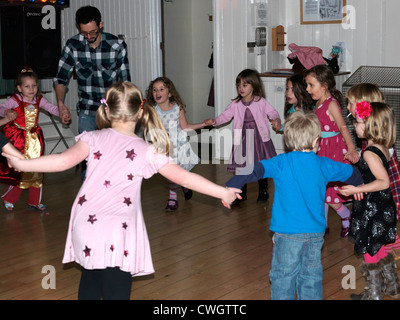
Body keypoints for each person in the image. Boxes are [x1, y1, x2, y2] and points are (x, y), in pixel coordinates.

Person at [2, 81, 240, 300]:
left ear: (107, 111)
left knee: (90, 283)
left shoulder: (92, 138)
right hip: (118, 231)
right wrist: (223, 192)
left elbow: (61, 162)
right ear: (140, 112)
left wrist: (23, 163)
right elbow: (186, 179)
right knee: (116, 290)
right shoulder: (147, 150)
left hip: (85, 226)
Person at [225, 110, 363, 300]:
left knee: (283, 276)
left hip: (288, 233)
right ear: (316, 141)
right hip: (315, 234)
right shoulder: (323, 164)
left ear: (288, 140)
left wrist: (232, 185)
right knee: (311, 276)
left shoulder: (282, 162)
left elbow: (254, 169)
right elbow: (351, 173)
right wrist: (362, 185)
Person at [339, 102, 400, 300]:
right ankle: (391, 285)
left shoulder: (369, 152)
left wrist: (357, 189)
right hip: (382, 206)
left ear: (369, 126)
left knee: (368, 247)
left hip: (373, 207)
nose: (354, 126)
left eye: (356, 122)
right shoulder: (381, 147)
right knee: (379, 245)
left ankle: (373, 294)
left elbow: (383, 182)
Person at [205, 69, 282, 204]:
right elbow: (225, 116)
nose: (241, 88)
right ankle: (241, 192)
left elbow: (273, 112)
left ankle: (263, 190)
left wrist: (276, 120)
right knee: (242, 166)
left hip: (259, 139)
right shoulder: (236, 104)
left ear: (254, 85)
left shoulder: (260, 101)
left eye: (245, 85)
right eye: (239, 85)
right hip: (243, 139)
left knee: (260, 164)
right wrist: (215, 121)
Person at [53, 5, 131, 134]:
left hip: (112, 111)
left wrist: (125, 111)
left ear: (101, 24)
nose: (89, 36)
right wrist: (60, 104)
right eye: (84, 33)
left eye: (93, 32)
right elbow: (61, 78)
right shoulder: (73, 46)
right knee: (88, 151)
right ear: (79, 28)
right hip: (87, 111)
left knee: (111, 151)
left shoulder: (116, 46)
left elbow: (125, 82)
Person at [304, 64, 359, 238]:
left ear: (324, 85)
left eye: (311, 85)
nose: (307, 89)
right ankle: (323, 224)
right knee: (321, 188)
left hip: (333, 150)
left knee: (330, 191)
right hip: (320, 148)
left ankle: (345, 215)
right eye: (307, 85)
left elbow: (343, 127)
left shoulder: (331, 104)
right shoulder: (318, 102)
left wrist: (351, 149)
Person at [346, 83, 400, 256]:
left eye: (350, 102)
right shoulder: (372, 137)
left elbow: (382, 178)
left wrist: (360, 187)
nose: (347, 107)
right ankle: (388, 243)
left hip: (380, 187)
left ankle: (389, 243)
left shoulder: (374, 144)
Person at [0, 67, 64, 211]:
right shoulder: (15, 100)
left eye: (34, 85)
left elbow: (51, 108)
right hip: (19, 140)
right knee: (20, 171)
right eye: (27, 86)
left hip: (35, 141)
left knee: (37, 170)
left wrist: (61, 112)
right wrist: (7, 111)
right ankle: (9, 198)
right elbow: (1, 108)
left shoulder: (39, 100)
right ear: (19, 88)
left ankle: (34, 201)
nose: (31, 89)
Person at [146, 77, 206, 211]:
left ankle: (184, 185)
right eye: (154, 90)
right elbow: (152, 128)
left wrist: (203, 124)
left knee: (180, 170)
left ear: (170, 93)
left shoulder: (177, 108)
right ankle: (173, 198)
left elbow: (185, 126)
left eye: (161, 89)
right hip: (165, 146)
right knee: (170, 172)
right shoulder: (153, 110)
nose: (157, 92)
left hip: (180, 145)